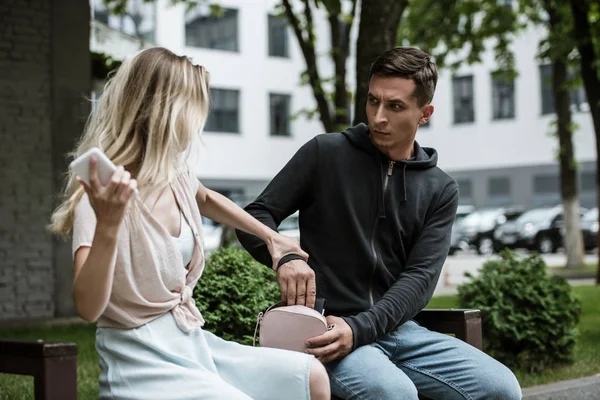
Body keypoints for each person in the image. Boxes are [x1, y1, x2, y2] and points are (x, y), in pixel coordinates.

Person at [236, 47, 522, 400]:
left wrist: (362, 328)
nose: (378, 117)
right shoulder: (325, 153)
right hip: (326, 327)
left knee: (502, 388)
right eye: (373, 101)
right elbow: (253, 217)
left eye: (395, 106)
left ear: (425, 113)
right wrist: (285, 255)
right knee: (393, 394)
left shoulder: (440, 189)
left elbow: (419, 280)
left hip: (398, 330)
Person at [49, 47, 330, 400]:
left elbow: (208, 199)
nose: (201, 121)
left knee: (312, 377)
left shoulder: (174, 172)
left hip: (188, 340)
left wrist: (270, 237)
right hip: (138, 358)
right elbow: (88, 308)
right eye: (196, 109)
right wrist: (108, 224)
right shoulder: (102, 192)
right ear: (168, 112)